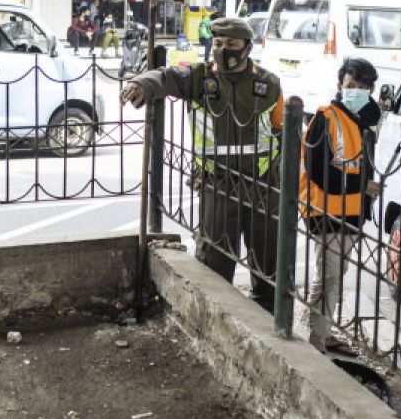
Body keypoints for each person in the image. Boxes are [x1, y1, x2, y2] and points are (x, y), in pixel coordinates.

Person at [121, 17, 284, 313]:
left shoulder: (268, 84)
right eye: (218, 44)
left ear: (247, 47)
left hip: (262, 183)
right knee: (216, 260)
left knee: (268, 259)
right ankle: (216, 317)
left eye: (231, 44)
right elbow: (165, 76)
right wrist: (141, 84)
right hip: (218, 181)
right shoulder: (198, 77)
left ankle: (269, 316)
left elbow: (282, 131)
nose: (224, 50)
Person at [299, 57, 382, 356]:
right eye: (351, 86)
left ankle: (324, 331)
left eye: (362, 87)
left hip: (351, 212)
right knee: (328, 277)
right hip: (327, 211)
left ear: (370, 89)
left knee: (336, 276)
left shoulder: (362, 121)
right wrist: (363, 186)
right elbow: (321, 173)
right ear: (339, 86)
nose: (356, 91)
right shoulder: (326, 117)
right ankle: (317, 341)